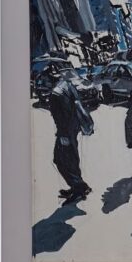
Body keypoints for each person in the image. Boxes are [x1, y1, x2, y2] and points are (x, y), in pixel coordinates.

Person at [40, 71, 95, 203]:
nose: (42, 85)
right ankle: (79, 186)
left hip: (65, 132)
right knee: (72, 159)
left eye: (44, 81)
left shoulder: (55, 94)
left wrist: (63, 135)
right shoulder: (66, 85)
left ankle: (79, 188)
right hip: (73, 128)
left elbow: (62, 117)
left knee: (60, 160)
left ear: (49, 80)